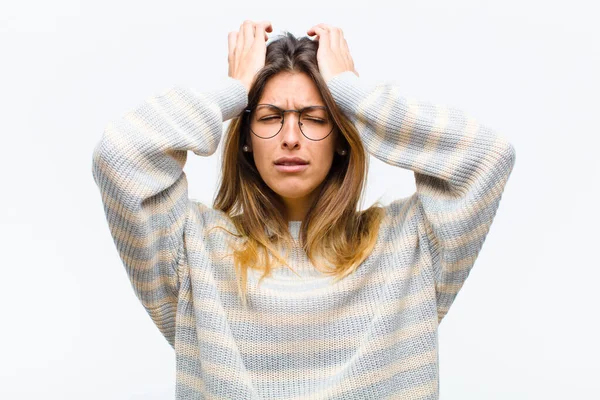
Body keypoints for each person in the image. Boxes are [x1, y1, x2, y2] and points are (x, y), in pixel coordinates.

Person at [91, 20, 516, 400]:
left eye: (314, 118)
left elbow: (487, 157)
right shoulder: (192, 253)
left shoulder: (411, 246)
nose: (291, 137)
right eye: (270, 116)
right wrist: (233, 92)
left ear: (341, 138)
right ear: (245, 137)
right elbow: (120, 156)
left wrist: (354, 93)